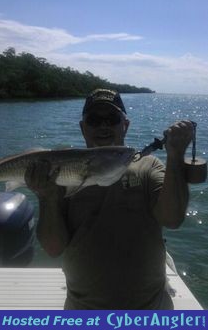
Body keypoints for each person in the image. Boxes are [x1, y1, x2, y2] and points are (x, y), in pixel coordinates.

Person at [25, 88, 193, 310]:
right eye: (94, 120)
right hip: (83, 310)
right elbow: (53, 248)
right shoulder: (61, 174)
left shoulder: (148, 166)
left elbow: (172, 219)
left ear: (125, 125)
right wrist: (46, 197)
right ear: (83, 128)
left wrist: (175, 156)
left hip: (150, 309)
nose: (103, 126)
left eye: (111, 119)